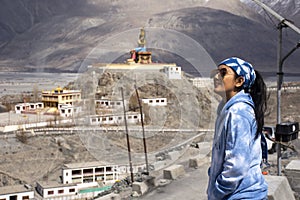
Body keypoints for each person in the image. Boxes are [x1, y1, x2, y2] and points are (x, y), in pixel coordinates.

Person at [207, 57, 268, 200]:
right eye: (216, 72)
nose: (216, 77)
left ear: (239, 81)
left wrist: (216, 192)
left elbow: (236, 167)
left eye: (223, 73)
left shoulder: (238, 113)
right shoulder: (226, 109)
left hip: (242, 195)